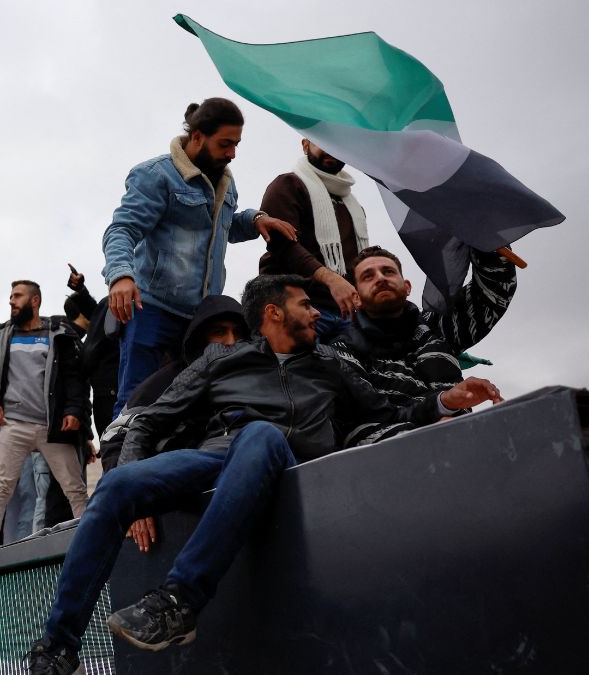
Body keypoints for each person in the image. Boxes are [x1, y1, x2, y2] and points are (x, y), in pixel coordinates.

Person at [25, 275, 503, 674]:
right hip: (218, 457)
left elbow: (385, 408)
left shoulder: (331, 364)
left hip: (288, 458)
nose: (316, 313)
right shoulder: (220, 360)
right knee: (117, 485)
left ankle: (180, 601)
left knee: (261, 434)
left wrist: (445, 400)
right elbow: (150, 418)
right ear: (274, 313)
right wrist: (132, 474)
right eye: (304, 305)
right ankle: (58, 647)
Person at [102, 98, 298, 417]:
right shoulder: (156, 176)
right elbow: (122, 229)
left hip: (199, 317)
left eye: (236, 144)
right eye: (225, 144)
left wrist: (253, 219)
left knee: (198, 403)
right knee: (135, 403)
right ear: (197, 138)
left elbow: (221, 224)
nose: (232, 153)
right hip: (151, 309)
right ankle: (121, 465)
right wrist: (122, 275)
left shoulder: (225, 180)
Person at [332, 245, 518, 445]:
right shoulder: (343, 352)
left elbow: (494, 291)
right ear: (356, 298)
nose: (380, 278)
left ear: (407, 287)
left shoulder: (437, 327)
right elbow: (363, 424)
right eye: (368, 276)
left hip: (466, 446)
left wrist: (482, 234)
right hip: (395, 463)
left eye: (388, 271)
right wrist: (439, 414)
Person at [0, 280, 90, 548]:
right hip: (13, 425)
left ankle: (89, 540)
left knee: (74, 487)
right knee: (1, 486)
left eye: (17, 296)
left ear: (34, 301)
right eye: (11, 296)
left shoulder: (57, 334)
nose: (11, 301)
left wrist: (73, 410)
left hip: (52, 427)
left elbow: (74, 378)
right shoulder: (1, 336)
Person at [100, 294, 249, 472]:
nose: (231, 341)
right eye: (220, 332)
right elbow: (116, 436)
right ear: (201, 339)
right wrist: (129, 480)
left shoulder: (257, 377)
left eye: (238, 333)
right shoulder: (166, 380)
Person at [259, 138, 370, 338]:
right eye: (323, 141)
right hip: (291, 309)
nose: (331, 151)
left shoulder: (354, 207)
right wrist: (331, 279)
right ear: (305, 144)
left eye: (338, 145)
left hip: (347, 315)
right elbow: (282, 245)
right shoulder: (288, 185)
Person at [65, 264, 121, 434]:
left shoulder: (143, 302)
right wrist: (81, 290)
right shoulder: (106, 307)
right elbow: (99, 313)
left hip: (116, 389)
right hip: (103, 391)